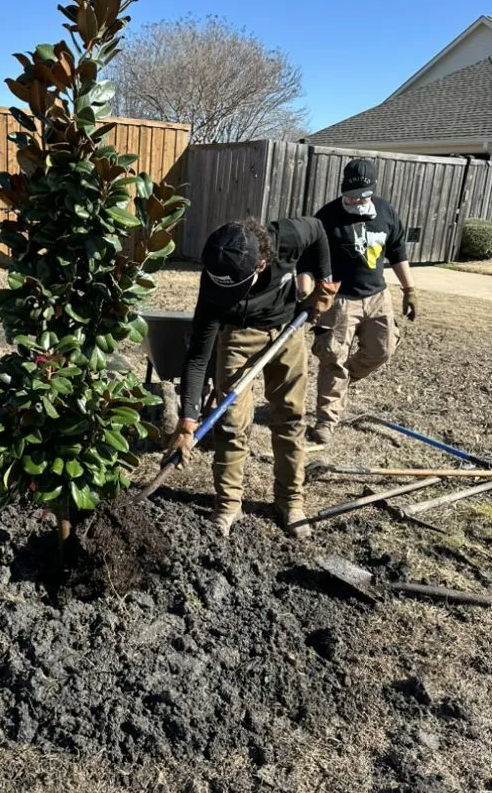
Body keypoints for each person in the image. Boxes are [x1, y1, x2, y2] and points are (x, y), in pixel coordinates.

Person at [166, 217, 338, 540]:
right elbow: (199, 357)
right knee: (231, 423)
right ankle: (228, 504)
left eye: (233, 289)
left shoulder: (287, 237)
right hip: (239, 335)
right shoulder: (214, 285)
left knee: (290, 418)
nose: (224, 295)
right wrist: (188, 420)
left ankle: (290, 501)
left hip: (287, 328)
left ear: (261, 264)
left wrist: (325, 282)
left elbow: (319, 229)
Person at [305, 158, 418, 447]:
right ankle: (326, 421)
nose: (355, 201)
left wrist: (409, 290)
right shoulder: (327, 217)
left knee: (383, 348)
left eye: (361, 196)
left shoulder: (386, 212)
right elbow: (308, 261)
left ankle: (341, 381)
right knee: (332, 358)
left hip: (378, 296)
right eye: (350, 195)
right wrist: (309, 296)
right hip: (340, 300)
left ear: (372, 189)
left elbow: (398, 252)